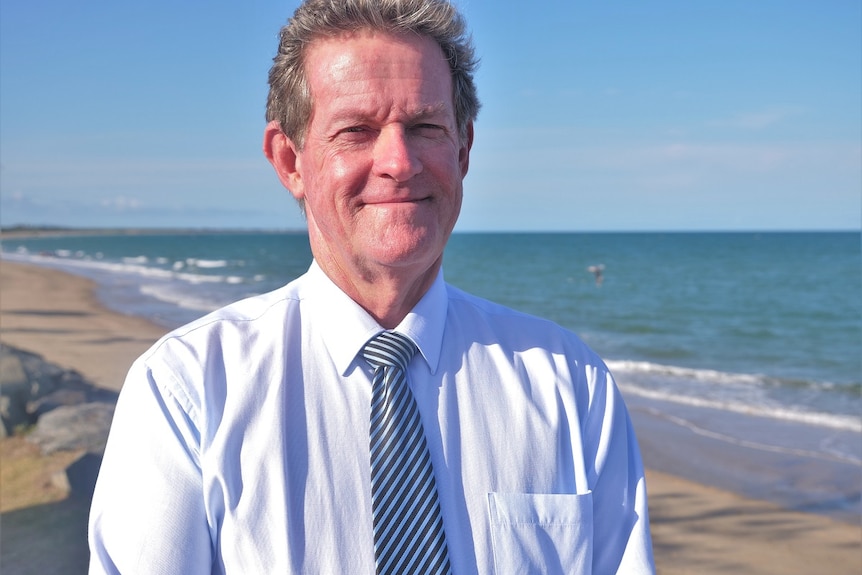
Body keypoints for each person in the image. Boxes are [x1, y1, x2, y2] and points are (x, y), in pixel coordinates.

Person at [88, 0, 655, 573]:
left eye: (426, 127)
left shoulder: (567, 383)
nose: (399, 162)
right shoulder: (191, 389)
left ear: (463, 150)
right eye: (356, 131)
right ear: (290, 161)